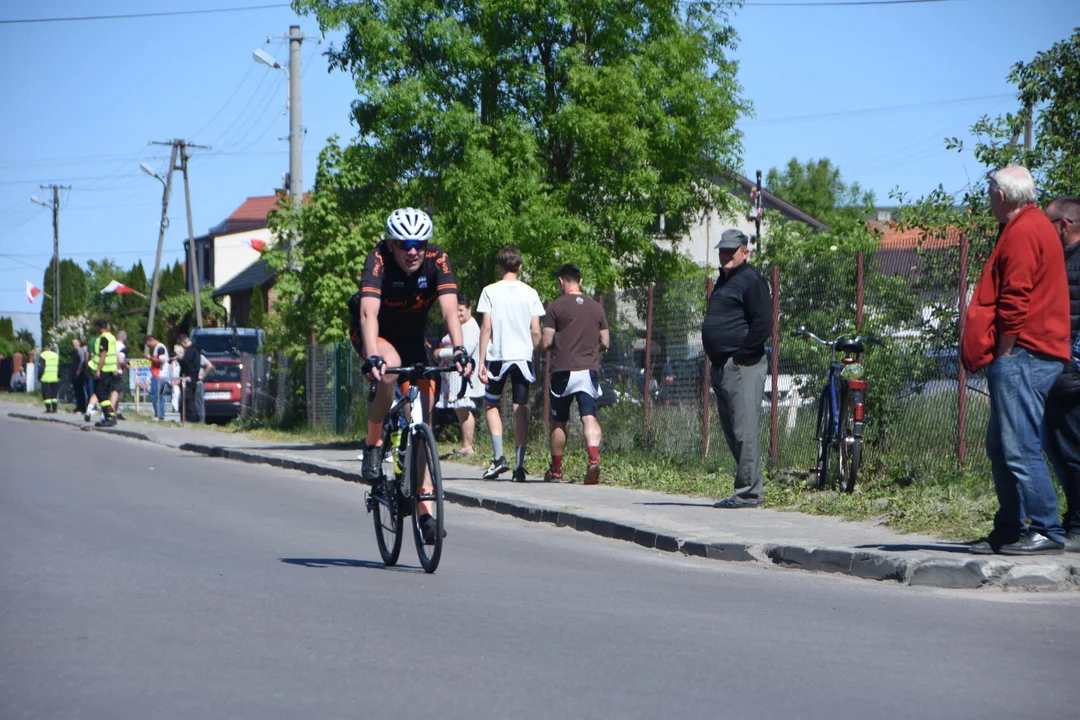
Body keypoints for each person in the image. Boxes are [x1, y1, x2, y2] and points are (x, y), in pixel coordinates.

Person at [963, 166, 1070, 556]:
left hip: (1025, 353)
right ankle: (1008, 528)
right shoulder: (1029, 226)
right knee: (1001, 444)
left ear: (1003, 195)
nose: (988, 198)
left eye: (990, 191)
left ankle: (1046, 529)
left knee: (1019, 446)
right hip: (1027, 351)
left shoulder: (1025, 230)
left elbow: (1015, 298)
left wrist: (1005, 350)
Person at [350, 207, 473, 544]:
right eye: (405, 244)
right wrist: (373, 355)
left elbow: (450, 309)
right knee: (388, 371)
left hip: (413, 337)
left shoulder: (437, 259)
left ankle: (423, 505)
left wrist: (459, 350)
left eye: (420, 243)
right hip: (377, 335)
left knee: (425, 416)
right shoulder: (377, 260)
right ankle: (374, 441)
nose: (413, 251)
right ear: (392, 245)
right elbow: (367, 312)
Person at [701, 228, 773, 509]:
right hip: (722, 366)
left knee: (745, 430)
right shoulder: (724, 280)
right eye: (722, 250)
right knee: (732, 430)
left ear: (746, 251)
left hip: (743, 365)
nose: (725, 255)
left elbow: (763, 324)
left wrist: (740, 357)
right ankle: (749, 487)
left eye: (731, 250)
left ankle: (748, 493)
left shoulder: (751, 280)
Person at [476, 247, 546, 481]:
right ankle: (519, 465)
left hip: (499, 355)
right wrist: (535, 360)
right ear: (520, 267)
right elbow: (536, 330)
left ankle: (498, 458)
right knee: (520, 408)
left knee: (491, 404)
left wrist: (481, 360)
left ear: (499, 267)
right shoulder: (531, 292)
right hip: (523, 355)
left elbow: (486, 326)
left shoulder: (489, 291)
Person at [542, 263, 609, 484]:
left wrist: (559, 347)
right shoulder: (596, 307)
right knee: (589, 417)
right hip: (588, 370)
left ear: (561, 281)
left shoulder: (554, 307)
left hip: (563, 369)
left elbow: (546, 341)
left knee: (559, 421)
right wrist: (591, 351)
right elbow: (605, 342)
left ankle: (557, 470)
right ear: (580, 281)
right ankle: (593, 460)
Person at [1041, 195, 1080, 551]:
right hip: (1059, 367)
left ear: (1064, 225)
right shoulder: (1063, 260)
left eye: (1048, 224)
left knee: (1071, 450)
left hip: (1071, 372)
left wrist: (1073, 362)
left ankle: (1078, 525)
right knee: (1057, 448)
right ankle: (1071, 520)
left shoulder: (1075, 263)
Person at [437, 295, 486, 459]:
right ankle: (465, 444)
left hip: (465, 376)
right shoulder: (459, 326)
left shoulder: (471, 327)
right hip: (454, 375)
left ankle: (467, 446)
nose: (458, 314)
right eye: (455, 310)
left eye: (461, 310)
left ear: (469, 309)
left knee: (464, 408)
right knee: (460, 409)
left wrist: (440, 353)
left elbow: (466, 350)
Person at [85, 319, 120, 427]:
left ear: (99, 328)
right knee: (101, 394)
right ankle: (108, 416)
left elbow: (103, 355)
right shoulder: (111, 337)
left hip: (104, 370)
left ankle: (110, 416)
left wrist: (98, 370)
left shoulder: (103, 338)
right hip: (109, 369)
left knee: (102, 394)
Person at [177, 333, 213, 423]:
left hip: (191, 378)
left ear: (184, 341)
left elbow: (186, 363)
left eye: (182, 345)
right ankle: (191, 419)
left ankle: (193, 419)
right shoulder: (195, 351)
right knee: (190, 400)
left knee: (191, 401)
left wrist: (179, 360)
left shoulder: (191, 351)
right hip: (193, 378)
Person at [145, 335, 169, 421]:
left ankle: (158, 415)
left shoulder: (160, 348)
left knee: (155, 395)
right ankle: (160, 415)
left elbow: (162, 360)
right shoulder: (158, 348)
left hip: (159, 375)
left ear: (150, 340)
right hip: (159, 375)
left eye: (148, 344)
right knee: (159, 396)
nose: (149, 347)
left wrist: (150, 358)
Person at [37, 345, 60, 412]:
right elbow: (58, 366)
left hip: (46, 377)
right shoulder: (55, 355)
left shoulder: (43, 355)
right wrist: (59, 376)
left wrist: (39, 376)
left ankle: (48, 409)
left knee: (46, 394)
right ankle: (55, 408)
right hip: (54, 377)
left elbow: (41, 368)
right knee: (54, 394)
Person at [71, 338, 89, 413]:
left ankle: (82, 407)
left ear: (79, 343)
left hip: (80, 373)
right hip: (75, 372)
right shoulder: (75, 352)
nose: (74, 345)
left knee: (80, 390)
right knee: (77, 390)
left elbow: (82, 361)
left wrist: (79, 371)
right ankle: (79, 406)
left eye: (75, 343)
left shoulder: (81, 351)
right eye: (73, 343)